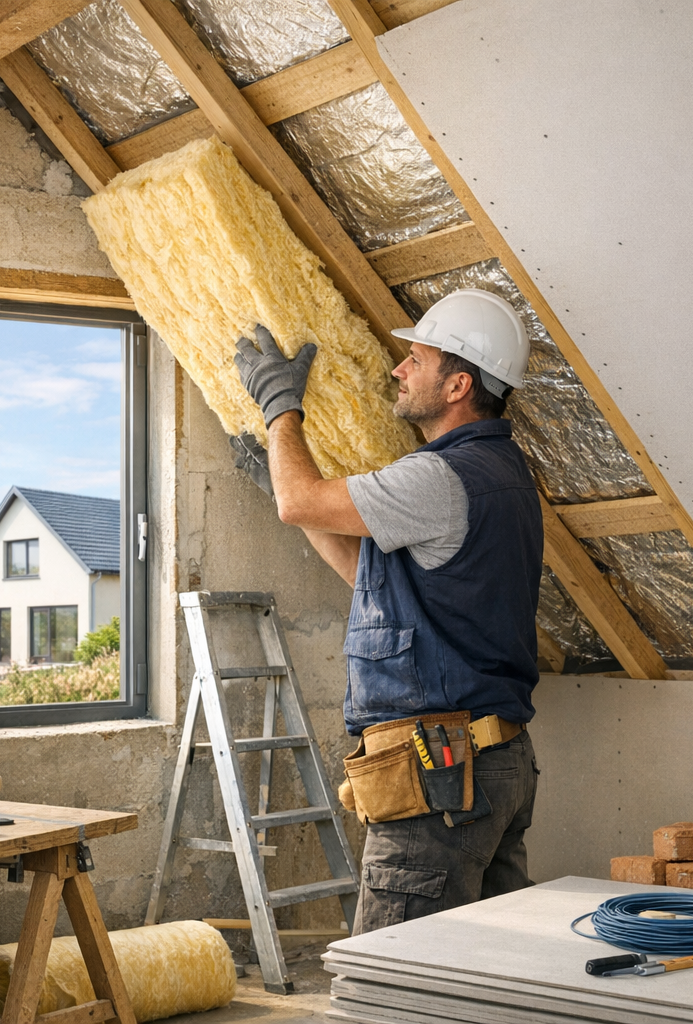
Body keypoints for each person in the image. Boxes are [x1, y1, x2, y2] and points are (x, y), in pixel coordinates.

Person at [234, 289, 544, 932]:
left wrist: (279, 410)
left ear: (458, 384)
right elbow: (365, 573)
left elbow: (300, 501)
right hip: (490, 762)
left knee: (392, 983)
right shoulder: (501, 470)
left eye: (416, 358)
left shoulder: (437, 479)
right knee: (485, 981)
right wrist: (288, 491)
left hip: (440, 779)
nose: (398, 370)